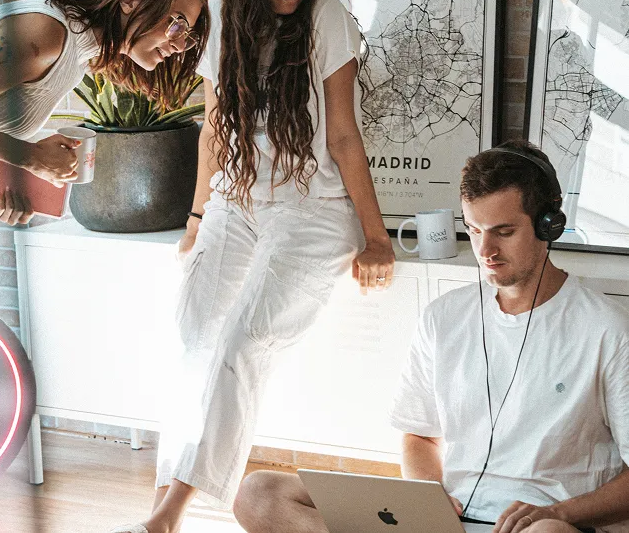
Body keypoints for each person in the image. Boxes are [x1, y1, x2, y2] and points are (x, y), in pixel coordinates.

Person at [110, 0, 395, 533]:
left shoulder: (329, 19)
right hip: (236, 203)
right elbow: (214, 127)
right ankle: (163, 506)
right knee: (190, 340)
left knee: (242, 344)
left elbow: (345, 136)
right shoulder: (217, 19)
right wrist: (193, 219)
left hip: (312, 210)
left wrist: (376, 238)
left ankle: (165, 519)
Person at [232, 139, 629, 533]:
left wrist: (561, 514)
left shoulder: (606, 329)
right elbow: (419, 434)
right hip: (446, 524)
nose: (485, 249)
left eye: (503, 232)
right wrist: (426, 495)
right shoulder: (444, 317)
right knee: (259, 493)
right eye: (473, 230)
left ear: (549, 225)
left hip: (539, 527)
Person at [0, 0, 209, 225]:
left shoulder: (75, 51)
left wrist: (0, 191)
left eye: (188, 35)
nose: (180, 44)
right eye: (177, 23)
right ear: (130, 1)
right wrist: (30, 157)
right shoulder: (46, 35)